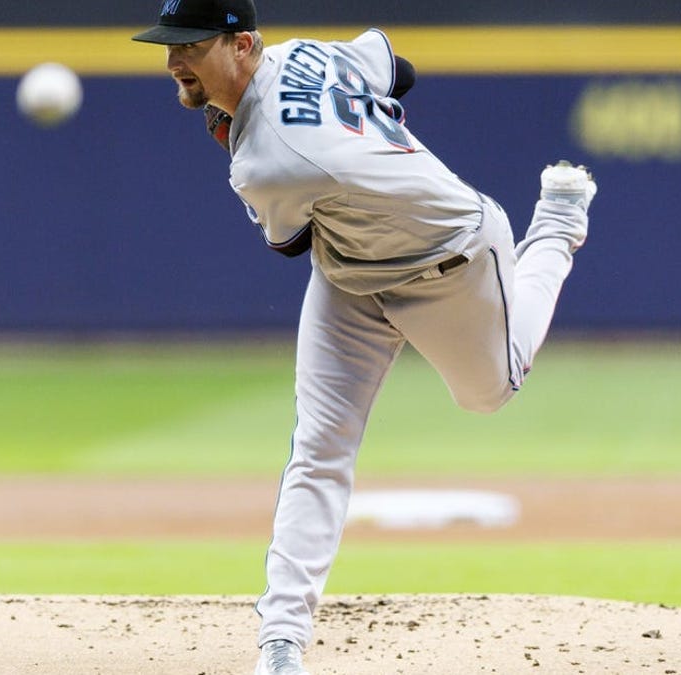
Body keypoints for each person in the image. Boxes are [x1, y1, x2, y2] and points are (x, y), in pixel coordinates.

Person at [133, 2, 597, 673]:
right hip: (349, 270)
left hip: (452, 257)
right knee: (319, 446)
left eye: (191, 46)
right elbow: (395, 67)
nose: (174, 60)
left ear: (241, 44)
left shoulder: (267, 161)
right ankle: (281, 642)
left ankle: (554, 224)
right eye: (167, 45)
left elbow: (288, 241)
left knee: (491, 392)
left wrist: (332, 142)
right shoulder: (300, 55)